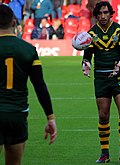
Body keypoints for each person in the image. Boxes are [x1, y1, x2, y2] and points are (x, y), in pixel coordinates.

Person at [0, 4, 57, 165]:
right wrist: (50, 118)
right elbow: (39, 85)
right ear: (13, 23)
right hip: (17, 114)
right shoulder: (28, 49)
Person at [81, 1, 120, 164]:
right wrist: (86, 65)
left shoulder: (119, 30)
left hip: (118, 75)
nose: (103, 16)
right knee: (103, 116)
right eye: (100, 13)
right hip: (101, 78)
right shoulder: (91, 33)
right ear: (96, 15)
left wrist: (119, 66)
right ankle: (104, 153)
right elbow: (87, 56)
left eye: (105, 13)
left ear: (110, 13)